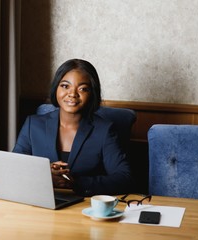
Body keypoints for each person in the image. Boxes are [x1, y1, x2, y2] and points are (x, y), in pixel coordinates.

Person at [13, 59, 133, 196]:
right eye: (65, 86)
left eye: (82, 89)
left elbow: (125, 178)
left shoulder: (104, 130)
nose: (72, 94)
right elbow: (14, 169)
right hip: (39, 204)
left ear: (92, 93)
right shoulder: (32, 125)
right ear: (56, 88)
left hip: (82, 208)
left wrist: (75, 183)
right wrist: (44, 174)